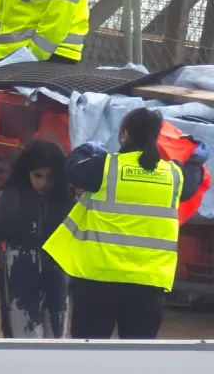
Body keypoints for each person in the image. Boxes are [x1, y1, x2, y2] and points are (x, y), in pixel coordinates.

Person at [44, 108, 208, 339]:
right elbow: (193, 179)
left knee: (88, 357)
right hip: (148, 284)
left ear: (124, 134)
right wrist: (197, 158)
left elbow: (73, 169)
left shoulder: (105, 167)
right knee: (137, 360)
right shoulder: (173, 175)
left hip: (98, 281)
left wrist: (88, 147)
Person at [0, 141, 73, 338]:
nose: (45, 183)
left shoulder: (67, 200)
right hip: (19, 273)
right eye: (38, 176)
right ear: (27, 171)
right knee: (21, 335)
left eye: (51, 177)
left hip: (57, 273)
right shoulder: (11, 197)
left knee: (56, 335)